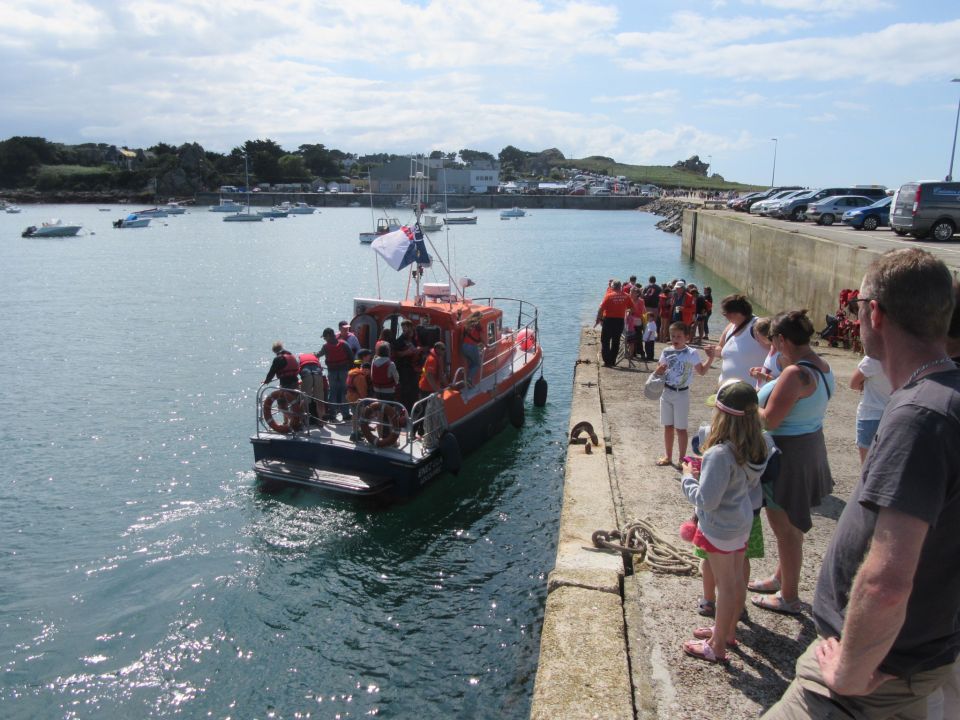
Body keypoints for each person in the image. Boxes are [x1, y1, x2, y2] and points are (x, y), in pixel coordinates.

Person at [763, 248, 960, 718]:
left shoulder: (919, 416)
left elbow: (887, 582)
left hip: (868, 676)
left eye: (857, 309)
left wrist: (850, 671)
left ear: (874, 312)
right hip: (921, 655)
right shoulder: (946, 395)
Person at [680, 381, 773, 663]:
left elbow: (706, 500)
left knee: (726, 585)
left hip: (720, 527)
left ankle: (717, 645)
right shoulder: (760, 444)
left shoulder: (720, 453)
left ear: (721, 415)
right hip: (741, 521)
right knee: (734, 580)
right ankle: (727, 631)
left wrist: (687, 477)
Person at [750, 310, 834, 616]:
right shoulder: (822, 366)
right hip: (809, 446)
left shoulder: (794, 373)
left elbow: (770, 419)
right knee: (792, 525)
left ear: (782, 339)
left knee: (784, 528)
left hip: (786, 455)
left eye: (773, 339)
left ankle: (789, 596)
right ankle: (779, 577)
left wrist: (747, 401)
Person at [653, 322, 710, 466]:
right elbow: (658, 368)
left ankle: (681, 459)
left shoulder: (691, 353)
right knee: (668, 426)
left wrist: (711, 358)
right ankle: (668, 456)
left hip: (681, 394)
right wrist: (659, 370)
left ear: (687, 338)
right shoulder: (666, 351)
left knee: (681, 428)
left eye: (679, 336)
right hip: (666, 391)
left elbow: (701, 371)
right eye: (673, 336)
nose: (675, 339)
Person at [705, 294, 768, 386]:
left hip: (750, 390)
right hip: (726, 389)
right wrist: (712, 351)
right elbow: (721, 349)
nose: (725, 316)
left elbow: (777, 351)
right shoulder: (731, 326)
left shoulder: (757, 327)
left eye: (725, 314)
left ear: (736, 313)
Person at [849, 354, 891, 465]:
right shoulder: (907, 356)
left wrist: (864, 384)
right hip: (894, 415)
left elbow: (853, 384)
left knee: (867, 468)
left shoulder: (874, 358)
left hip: (871, 415)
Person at [317, 327, 354, 422]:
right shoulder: (344, 344)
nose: (325, 339)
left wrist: (312, 355)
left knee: (332, 392)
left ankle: (332, 414)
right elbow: (351, 357)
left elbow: (318, 355)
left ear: (329, 336)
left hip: (332, 372)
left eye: (325, 337)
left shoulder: (325, 347)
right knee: (344, 392)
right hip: (344, 372)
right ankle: (345, 414)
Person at [595, 281, 633, 367]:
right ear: (620, 287)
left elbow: (601, 309)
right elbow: (632, 308)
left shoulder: (608, 296)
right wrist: (625, 311)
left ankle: (607, 361)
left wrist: (598, 319)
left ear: (613, 287)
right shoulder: (626, 296)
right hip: (619, 321)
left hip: (608, 320)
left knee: (605, 341)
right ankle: (612, 361)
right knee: (616, 341)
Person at [392, 320, 420, 411]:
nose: (404, 331)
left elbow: (423, 346)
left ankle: (414, 407)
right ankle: (405, 409)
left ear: (411, 327)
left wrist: (419, 350)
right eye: (403, 329)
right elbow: (395, 353)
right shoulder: (400, 340)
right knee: (405, 390)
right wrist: (406, 353)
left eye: (406, 329)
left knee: (414, 389)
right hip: (404, 368)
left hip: (415, 368)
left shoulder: (417, 337)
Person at [748, 317, 781, 388]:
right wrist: (761, 370)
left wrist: (763, 376)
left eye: (758, 335)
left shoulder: (781, 355)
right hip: (761, 393)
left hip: (769, 396)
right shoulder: (772, 348)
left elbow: (782, 384)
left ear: (765, 336)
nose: (757, 338)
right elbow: (773, 371)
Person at [298, 349, 324, 424]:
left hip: (306, 375)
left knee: (304, 398)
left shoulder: (300, 358)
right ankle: (320, 420)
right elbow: (320, 368)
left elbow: (297, 370)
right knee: (319, 400)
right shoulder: (315, 358)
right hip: (317, 374)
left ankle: (305, 420)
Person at [624, 286, 647, 360]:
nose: (630, 292)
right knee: (630, 338)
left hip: (637, 321)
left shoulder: (641, 301)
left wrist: (632, 312)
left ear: (637, 293)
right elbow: (625, 309)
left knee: (638, 338)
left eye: (632, 291)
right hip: (630, 321)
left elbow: (643, 312)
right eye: (630, 291)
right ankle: (632, 353)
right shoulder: (628, 299)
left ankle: (641, 352)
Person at [461, 312, 484, 387]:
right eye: (481, 317)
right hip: (472, 347)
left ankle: (469, 381)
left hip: (464, 346)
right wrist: (487, 345)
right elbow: (481, 337)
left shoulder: (467, 324)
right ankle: (469, 380)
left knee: (471, 363)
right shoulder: (478, 325)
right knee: (477, 364)